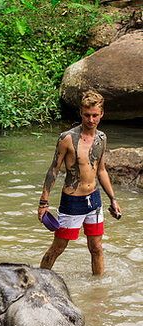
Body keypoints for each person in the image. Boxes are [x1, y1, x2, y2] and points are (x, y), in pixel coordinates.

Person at [38, 90, 121, 275]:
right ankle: (39, 281)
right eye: (86, 115)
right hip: (72, 202)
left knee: (97, 248)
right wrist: (43, 202)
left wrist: (113, 199)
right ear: (81, 113)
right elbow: (53, 169)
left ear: (101, 114)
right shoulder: (67, 138)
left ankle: (98, 295)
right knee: (58, 247)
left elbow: (101, 170)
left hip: (95, 201)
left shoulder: (101, 138)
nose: (91, 120)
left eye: (95, 115)